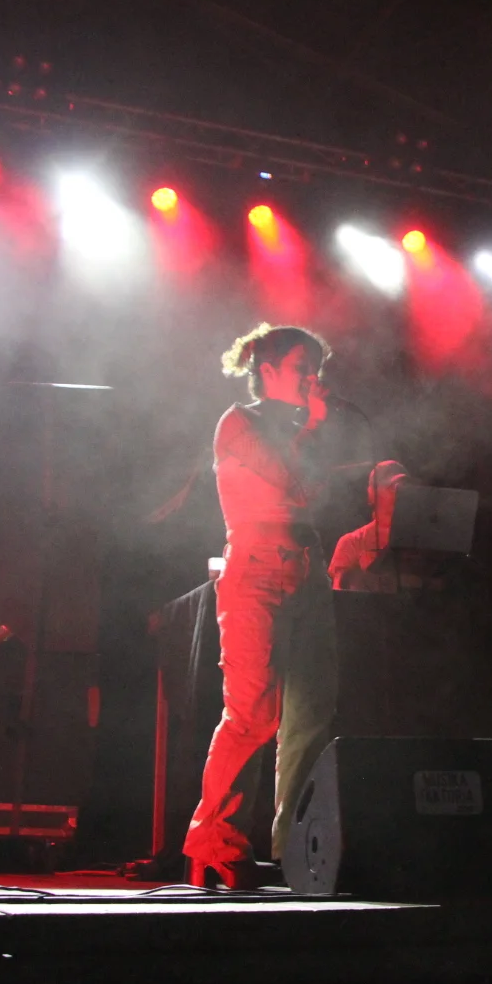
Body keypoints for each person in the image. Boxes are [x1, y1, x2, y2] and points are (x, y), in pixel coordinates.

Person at [184, 323, 338, 888]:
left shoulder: (299, 430)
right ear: (267, 370)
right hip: (256, 575)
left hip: (307, 573)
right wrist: (314, 428)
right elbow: (289, 484)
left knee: (309, 716)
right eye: (302, 368)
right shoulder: (239, 422)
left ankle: (293, 846)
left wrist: (312, 431)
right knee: (252, 715)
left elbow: (317, 496)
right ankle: (212, 841)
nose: (312, 379)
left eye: (316, 369)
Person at [328, 460, 412, 593]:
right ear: (372, 494)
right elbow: (342, 599)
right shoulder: (352, 543)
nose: (399, 493)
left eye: (404, 487)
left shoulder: (422, 540)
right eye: (392, 487)